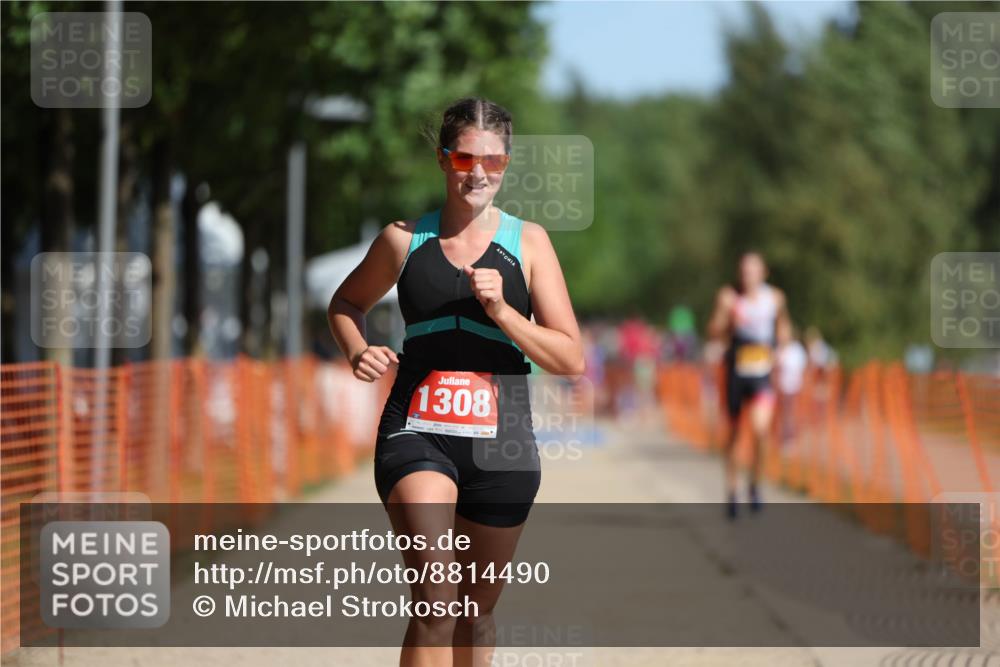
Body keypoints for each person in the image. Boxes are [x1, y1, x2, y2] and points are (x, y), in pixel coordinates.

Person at [327, 97, 584, 667]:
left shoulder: (530, 243)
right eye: (466, 158)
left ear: (507, 165)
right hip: (416, 431)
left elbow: (570, 357)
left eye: (493, 162)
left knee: (473, 613)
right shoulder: (402, 239)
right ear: (444, 160)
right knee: (436, 606)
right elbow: (346, 302)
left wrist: (506, 314)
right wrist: (356, 349)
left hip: (503, 443)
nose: (479, 173)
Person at [707, 252, 791, 519]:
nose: (747, 276)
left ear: (763, 273)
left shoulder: (775, 298)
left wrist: (781, 345)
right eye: (743, 271)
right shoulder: (729, 296)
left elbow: (784, 329)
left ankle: (755, 483)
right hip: (735, 368)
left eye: (753, 271)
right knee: (732, 433)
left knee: (761, 430)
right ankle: (732, 491)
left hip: (762, 370)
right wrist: (728, 316)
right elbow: (713, 330)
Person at [775, 327, 808, 445]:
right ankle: (781, 435)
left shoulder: (796, 349)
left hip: (792, 386)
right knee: (782, 412)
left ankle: (789, 437)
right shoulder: (779, 347)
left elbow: (799, 366)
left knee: (789, 412)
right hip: (779, 386)